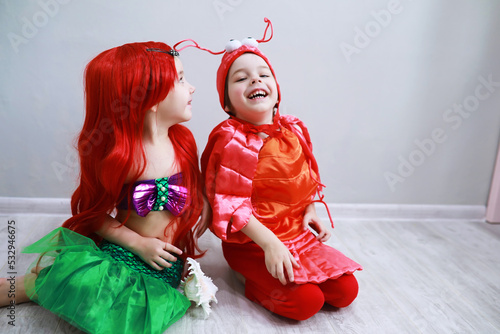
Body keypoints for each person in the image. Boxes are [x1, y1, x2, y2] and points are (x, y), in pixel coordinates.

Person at [0, 41, 210, 333]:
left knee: (144, 306)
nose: (192, 88)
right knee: (100, 297)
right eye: (181, 79)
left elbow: (196, 188)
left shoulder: (182, 141)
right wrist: (139, 243)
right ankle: (31, 285)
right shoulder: (124, 157)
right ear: (149, 97)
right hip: (131, 251)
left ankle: (43, 281)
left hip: (166, 258)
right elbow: (94, 214)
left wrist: (206, 208)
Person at [196, 19, 363, 321]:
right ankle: (248, 281)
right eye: (241, 78)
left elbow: (305, 176)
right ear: (227, 102)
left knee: (345, 292)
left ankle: (288, 269)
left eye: (263, 74)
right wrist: (270, 244)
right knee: (305, 303)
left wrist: (311, 210)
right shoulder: (233, 141)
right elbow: (231, 205)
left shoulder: (293, 128)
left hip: (295, 234)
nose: (255, 81)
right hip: (255, 243)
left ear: (276, 88)